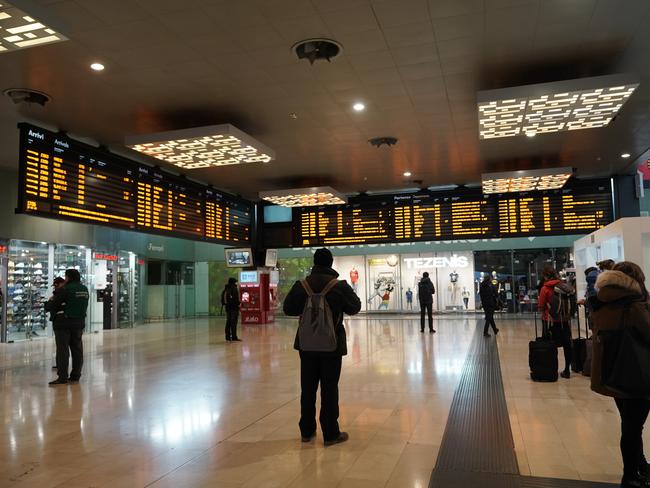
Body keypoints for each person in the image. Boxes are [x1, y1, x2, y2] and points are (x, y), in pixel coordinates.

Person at [283, 248, 361, 446]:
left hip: (306, 345)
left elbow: (288, 309)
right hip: (331, 345)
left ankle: (307, 432)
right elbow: (355, 307)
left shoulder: (302, 285)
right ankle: (330, 433)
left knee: (307, 388)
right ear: (331, 263)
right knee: (329, 387)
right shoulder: (339, 285)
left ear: (314, 262)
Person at [590, 261, 650, 487]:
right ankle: (630, 475)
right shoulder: (633, 306)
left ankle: (640, 465)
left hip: (613, 371)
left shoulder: (601, 303)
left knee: (630, 423)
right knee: (633, 427)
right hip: (637, 372)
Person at [48, 269, 89, 385]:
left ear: (69, 278)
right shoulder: (84, 289)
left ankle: (62, 377)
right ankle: (76, 375)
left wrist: (49, 303)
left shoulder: (65, 289)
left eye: (66, 277)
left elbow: (53, 305)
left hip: (63, 324)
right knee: (77, 349)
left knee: (63, 351)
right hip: (79, 323)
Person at [538, 265, 575, 379]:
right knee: (567, 345)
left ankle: (552, 370)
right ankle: (567, 370)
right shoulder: (563, 286)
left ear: (545, 276)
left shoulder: (545, 288)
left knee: (550, 345)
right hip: (565, 321)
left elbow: (540, 306)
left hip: (550, 321)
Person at [45, 277, 66, 370]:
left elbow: (49, 307)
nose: (55, 287)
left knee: (61, 346)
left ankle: (61, 369)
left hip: (60, 322)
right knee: (63, 346)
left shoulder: (60, 294)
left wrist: (50, 301)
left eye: (56, 285)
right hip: (63, 321)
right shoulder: (62, 293)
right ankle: (61, 365)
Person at [222, 277, 241, 342]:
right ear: (233, 282)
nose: (236, 283)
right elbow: (236, 299)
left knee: (228, 322)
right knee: (233, 323)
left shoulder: (225, 289)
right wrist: (239, 303)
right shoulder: (234, 288)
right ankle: (234, 337)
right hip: (234, 308)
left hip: (228, 308)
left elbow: (222, 300)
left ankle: (227, 337)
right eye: (235, 282)